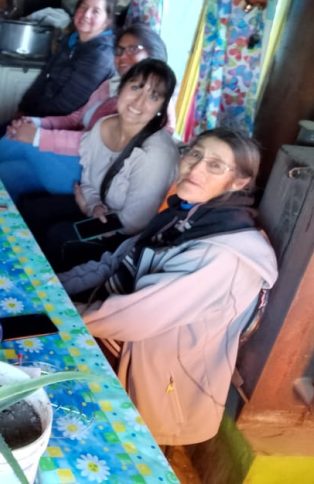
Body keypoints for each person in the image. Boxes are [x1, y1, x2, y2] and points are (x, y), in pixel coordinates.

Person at [59, 128, 277, 446]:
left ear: (239, 182)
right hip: (123, 350)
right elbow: (114, 264)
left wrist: (54, 314)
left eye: (215, 165)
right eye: (195, 154)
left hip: (163, 394)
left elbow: (133, 318)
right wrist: (56, 289)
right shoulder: (182, 217)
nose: (196, 167)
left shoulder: (220, 255)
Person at [0, 60, 179, 270]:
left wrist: (88, 209)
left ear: (161, 107)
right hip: (99, 210)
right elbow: (88, 181)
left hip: (124, 235)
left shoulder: (155, 154)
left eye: (153, 96)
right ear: (121, 88)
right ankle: (13, 266)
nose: (139, 101)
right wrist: (93, 205)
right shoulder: (103, 126)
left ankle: (44, 288)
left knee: (59, 235)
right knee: (33, 209)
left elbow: (133, 223)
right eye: (136, 87)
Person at [0, 25, 167, 201]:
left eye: (132, 49)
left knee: (23, 142)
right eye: (119, 50)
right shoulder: (111, 85)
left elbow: (98, 143)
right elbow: (76, 118)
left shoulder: (152, 101)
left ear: (153, 53)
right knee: (7, 173)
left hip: (97, 175)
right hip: (75, 159)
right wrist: (36, 123)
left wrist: (38, 137)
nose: (122, 57)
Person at [15, 0, 118, 118]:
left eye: (96, 11)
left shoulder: (100, 56)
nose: (86, 15)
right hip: (41, 114)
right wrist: (23, 108)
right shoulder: (72, 39)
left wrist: (30, 119)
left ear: (107, 21)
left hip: (65, 125)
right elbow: (45, 76)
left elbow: (67, 105)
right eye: (83, 7)